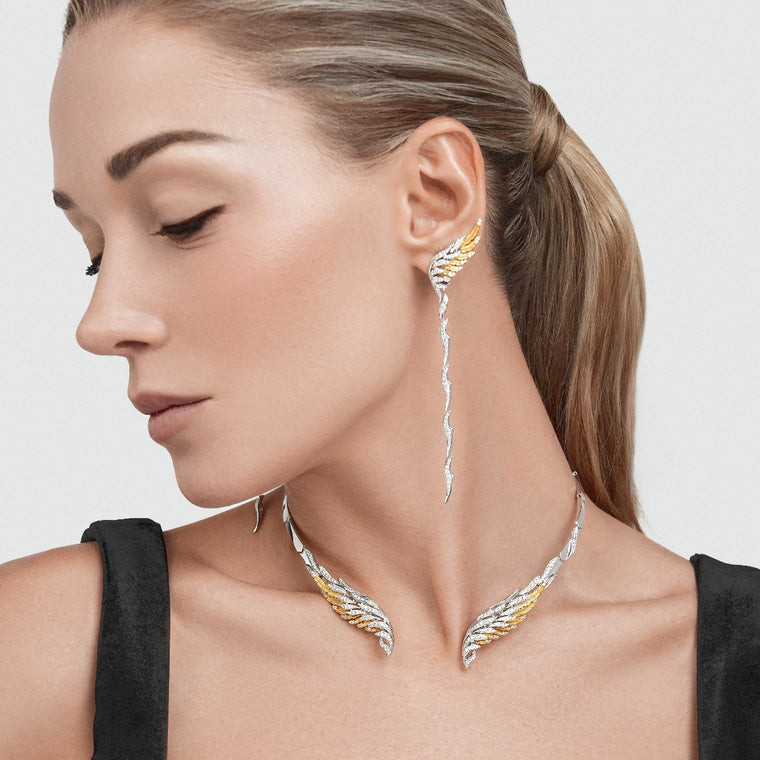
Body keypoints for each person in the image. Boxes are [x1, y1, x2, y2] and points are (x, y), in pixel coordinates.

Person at [0, 1, 757, 757]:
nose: (101, 323)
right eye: (94, 252)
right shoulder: (42, 659)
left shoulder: (733, 668)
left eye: (182, 218)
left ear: (434, 196)